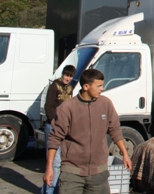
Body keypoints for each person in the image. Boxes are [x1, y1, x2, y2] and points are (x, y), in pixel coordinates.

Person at [43, 69, 132, 194]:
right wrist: (49, 168)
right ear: (86, 86)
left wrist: (125, 154)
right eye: (99, 86)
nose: (102, 89)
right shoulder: (67, 108)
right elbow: (54, 139)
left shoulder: (106, 104)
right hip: (72, 173)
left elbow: (115, 130)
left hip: (98, 173)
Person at [42, 64, 76, 194]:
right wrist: (53, 121)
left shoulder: (70, 88)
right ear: (62, 74)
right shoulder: (54, 86)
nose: (67, 78)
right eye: (66, 75)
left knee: (61, 163)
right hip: (53, 126)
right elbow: (48, 106)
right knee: (54, 163)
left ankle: (50, 190)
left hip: (64, 127)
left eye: (70, 76)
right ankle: (49, 191)